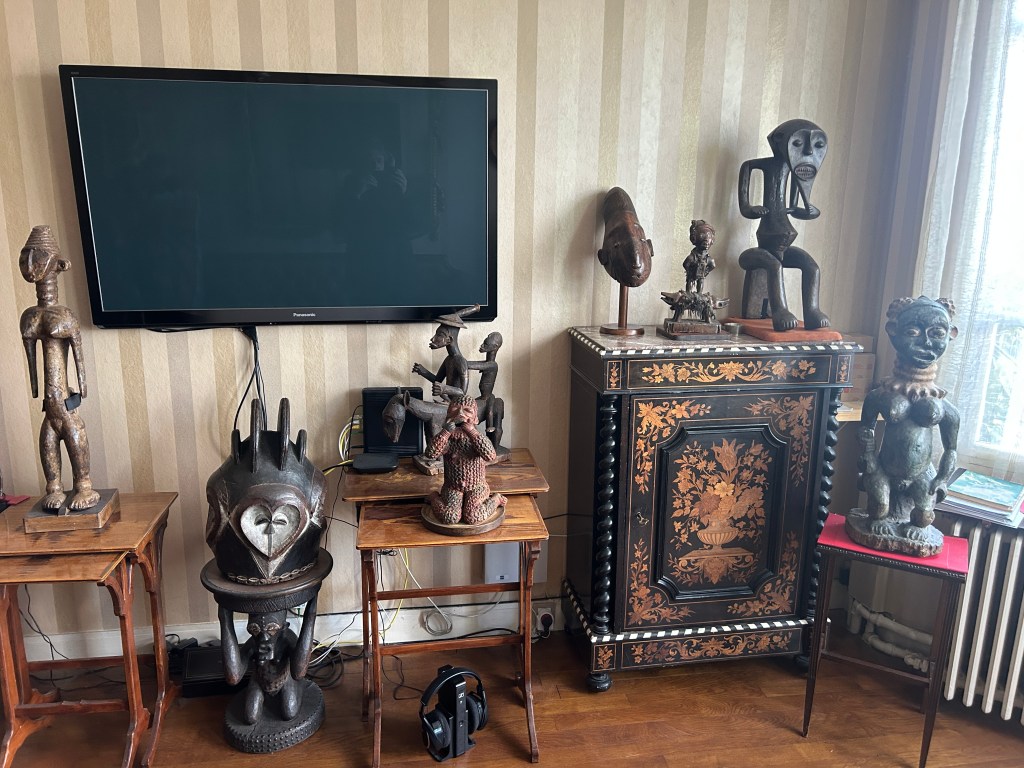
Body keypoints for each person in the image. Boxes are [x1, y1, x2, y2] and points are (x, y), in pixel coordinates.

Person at [856, 296, 959, 544]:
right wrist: (869, 460)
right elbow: (866, 429)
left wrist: (941, 478)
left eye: (937, 333)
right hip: (884, 468)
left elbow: (951, 448)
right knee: (878, 511)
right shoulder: (880, 395)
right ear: (893, 332)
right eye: (913, 332)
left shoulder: (944, 407)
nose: (926, 342)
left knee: (923, 518)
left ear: (951, 335)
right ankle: (881, 512)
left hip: (922, 473)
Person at [19, 225, 100, 511]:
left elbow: (78, 356)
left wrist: (82, 387)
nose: (31, 264)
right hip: (49, 407)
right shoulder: (30, 316)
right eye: (26, 257)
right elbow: (31, 362)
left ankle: (84, 485)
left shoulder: (64, 316)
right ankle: (54, 487)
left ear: (57, 265)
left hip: (65, 406)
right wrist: (35, 388)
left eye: (38, 257)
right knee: (47, 441)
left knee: (74, 435)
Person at [737, 119, 831, 331]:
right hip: (762, 250)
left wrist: (808, 211)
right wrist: (751, 209)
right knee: (774, 266)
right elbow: (745, 206)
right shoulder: (753, 166)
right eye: (797, 143)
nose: (807, 151)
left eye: (816, 145)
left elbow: (796, 208)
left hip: (784, 247)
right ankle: (780, 310)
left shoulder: (795, 170)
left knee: (812, 267)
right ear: (778, 141)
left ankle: (812, 311)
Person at [683, 220, 716, 294]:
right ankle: (688, 293)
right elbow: (685, 264)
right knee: (690, 281)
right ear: (694, 238)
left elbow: (713, 266)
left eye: (709, 236)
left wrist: (706, 272)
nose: (706, 239)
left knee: (701, 281)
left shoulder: (708, 259)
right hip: (692, 273)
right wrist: (689, 271)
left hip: (701, 273)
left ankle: (699, 294)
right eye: (702, 235)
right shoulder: (692, 257)